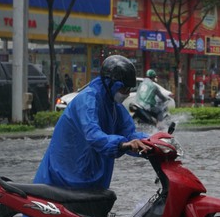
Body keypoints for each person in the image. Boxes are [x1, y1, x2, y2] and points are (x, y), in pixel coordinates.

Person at [33, 55, 151, 190]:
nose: (127, 94)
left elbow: (129, 134)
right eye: (124, 89)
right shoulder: (87, 100)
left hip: (88, 181)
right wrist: (122, 144)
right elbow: (93, 134)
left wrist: (152, 142)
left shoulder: (114, 107)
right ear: (110, 83)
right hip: (62, 179)